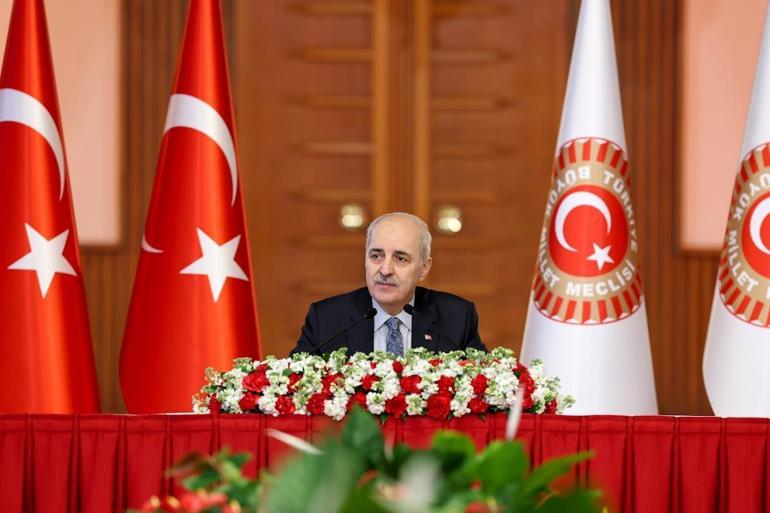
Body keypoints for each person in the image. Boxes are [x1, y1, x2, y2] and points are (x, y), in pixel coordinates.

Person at [291, 212, 487, 355]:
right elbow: (294, 385)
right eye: (376, 256)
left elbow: (485, 383)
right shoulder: (327, 319)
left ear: (424, 268)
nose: (385, 270)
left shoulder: (456, 318)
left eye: (401, 259)